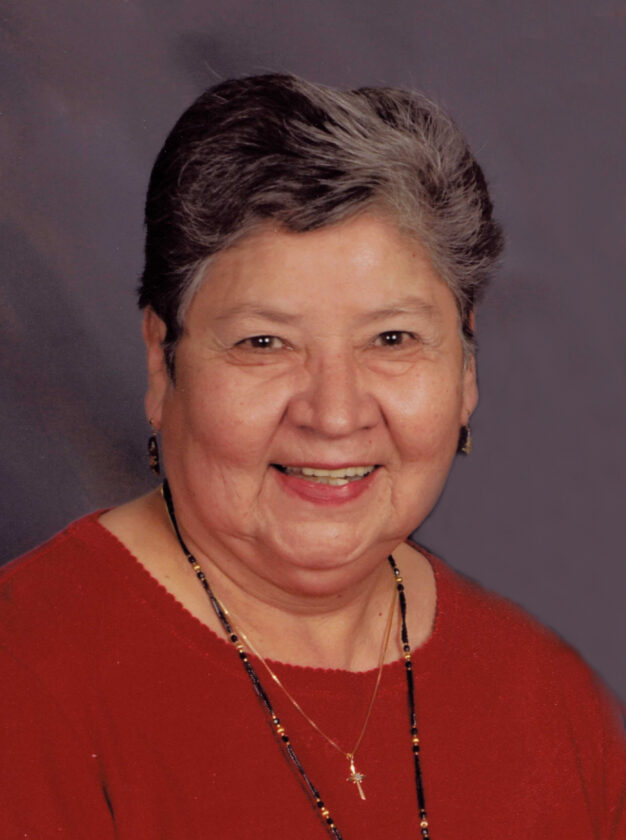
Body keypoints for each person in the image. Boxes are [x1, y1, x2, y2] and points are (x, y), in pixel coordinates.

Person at [1, 74, 623, 839]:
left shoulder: (551, 701)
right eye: (265, 342)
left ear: (465, 369)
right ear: (164, 363)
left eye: (392, 339)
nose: (334, 415)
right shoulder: (26, 676)